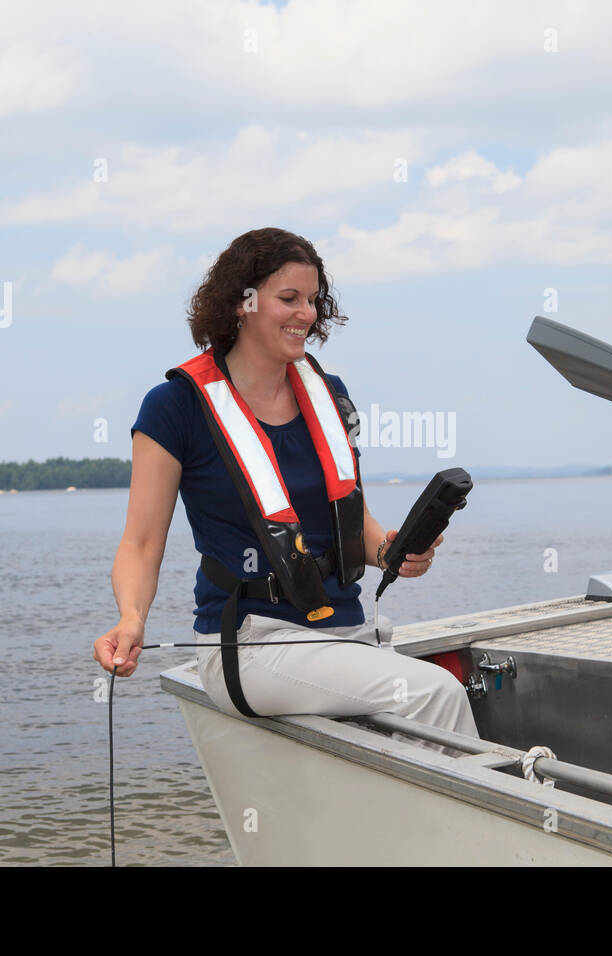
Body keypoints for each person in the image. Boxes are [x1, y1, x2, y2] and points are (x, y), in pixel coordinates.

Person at [92, 227, 477, 743]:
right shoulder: (174, 407)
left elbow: (355, 523)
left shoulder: (331, 395)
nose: (307, 314)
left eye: (313, 300)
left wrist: (392, 552)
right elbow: (140, 543)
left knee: (436, 697)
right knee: (437, 693)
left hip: (344, 630)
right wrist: (131, 619)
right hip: (250, 642)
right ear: (242, 303)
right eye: (289, 298)